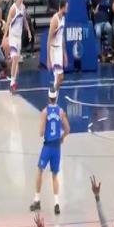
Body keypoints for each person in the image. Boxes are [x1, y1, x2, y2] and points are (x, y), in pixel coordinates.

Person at [29, 87, 70, 215]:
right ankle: (56, 202)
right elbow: (68, 129)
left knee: (40, 170)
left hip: (47, 147)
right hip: (57, 147)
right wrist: (62, 137)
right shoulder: (61, 112)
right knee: (55, 175)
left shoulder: (45, 112)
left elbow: (41, 133)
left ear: (48, 97)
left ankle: (37, 199)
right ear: (56, 97)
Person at [3, 0, 31, 92]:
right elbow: (7, 23)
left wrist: (28, 31)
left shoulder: (22, 7)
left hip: (19, 37)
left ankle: (13, 81)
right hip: (12, 37)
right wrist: (5, 36)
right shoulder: (13, 9)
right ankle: (12, 82)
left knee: (16, 60)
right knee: (15, 58)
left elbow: (24, 20)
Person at [47, 0, 68, 91]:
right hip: (53, 49)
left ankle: (53, 95)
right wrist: (48, 59)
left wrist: (65, 54)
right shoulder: (54, 20)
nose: (67, 9)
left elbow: (61, 37)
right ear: (62, 8)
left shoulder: (63, 18)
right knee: (60, 76)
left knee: (60, 78)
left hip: (59, 49)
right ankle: (53, 94)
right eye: (66, 7)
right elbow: (49, 39)